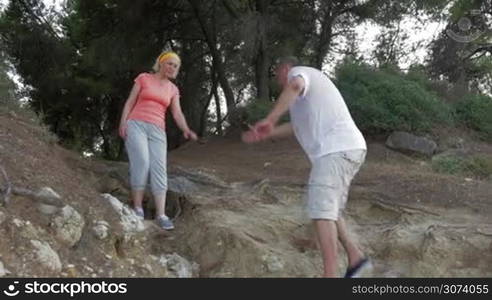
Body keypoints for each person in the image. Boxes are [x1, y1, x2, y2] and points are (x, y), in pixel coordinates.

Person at [242, 56, 370, 277]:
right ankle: (355, 256)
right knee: (330, 209)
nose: (278, 79)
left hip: (337, 149)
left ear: (286, 68)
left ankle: (329, 275)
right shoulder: (302, 102)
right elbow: (295, 127)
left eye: (278, 74)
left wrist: (270, 118)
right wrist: (267, 133)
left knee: (322, 210)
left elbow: (295, 85)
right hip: (345, 149)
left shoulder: (300, 73)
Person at [119, 51, 197, 230]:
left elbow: (177, 113)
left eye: (175, 66)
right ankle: (138, 208)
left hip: (157, 130)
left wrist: (185, 129)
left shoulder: (172, 89)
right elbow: (130, 102)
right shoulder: (144, 78)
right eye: (169, 63)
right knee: (142, 162)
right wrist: (123, 123)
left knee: (159, 168)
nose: (172, 68)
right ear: (161, 63)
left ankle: (161, 215)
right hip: (136, 124)